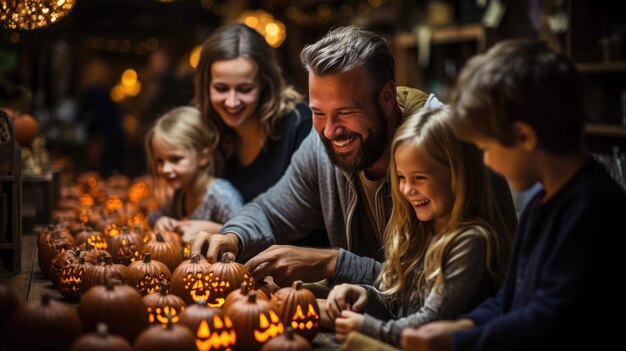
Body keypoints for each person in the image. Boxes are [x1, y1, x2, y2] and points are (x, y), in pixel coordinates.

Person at [191, 26, 516, 287]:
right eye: (318, 112)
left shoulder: (451, 147)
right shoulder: (322, 145)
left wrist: (334, 263)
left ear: (387, 97)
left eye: (345, 112)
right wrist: (233, 237)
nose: (330, 131)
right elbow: (271, 211)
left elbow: (461, 286)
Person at [399, 39, 626, 351]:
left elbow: (547, 320)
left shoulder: (592, 209)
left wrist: (458, 340)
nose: (487, 162)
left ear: (524, 137)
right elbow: (511, 300)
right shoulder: (539, 204)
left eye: (488, 149)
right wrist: (463, 324)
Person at [326, 108, 511, 346]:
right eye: (401, 177)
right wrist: (364, 294)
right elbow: (396, 301)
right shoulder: (416, 231)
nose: (407, 190)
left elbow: (429, 321)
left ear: (458, 176)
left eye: (420, 178)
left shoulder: (471, 242)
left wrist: (367, 327)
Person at [194, 23, 312, 203]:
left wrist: (223, 230)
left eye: (244, 89)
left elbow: (306, 218)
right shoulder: (207, 131)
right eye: (221, 88)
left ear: (264, 83)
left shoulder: (298, 124)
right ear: (206, 86)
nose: (232, 102)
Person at [145, 106, 243, 241]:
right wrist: (161, 220)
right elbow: (155, 216)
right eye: (160, 161)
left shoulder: (221, 195)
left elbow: (245, 235)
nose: (165, 169)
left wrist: (214, 229)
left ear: (204, 157)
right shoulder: (180, 194)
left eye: (175, 159)